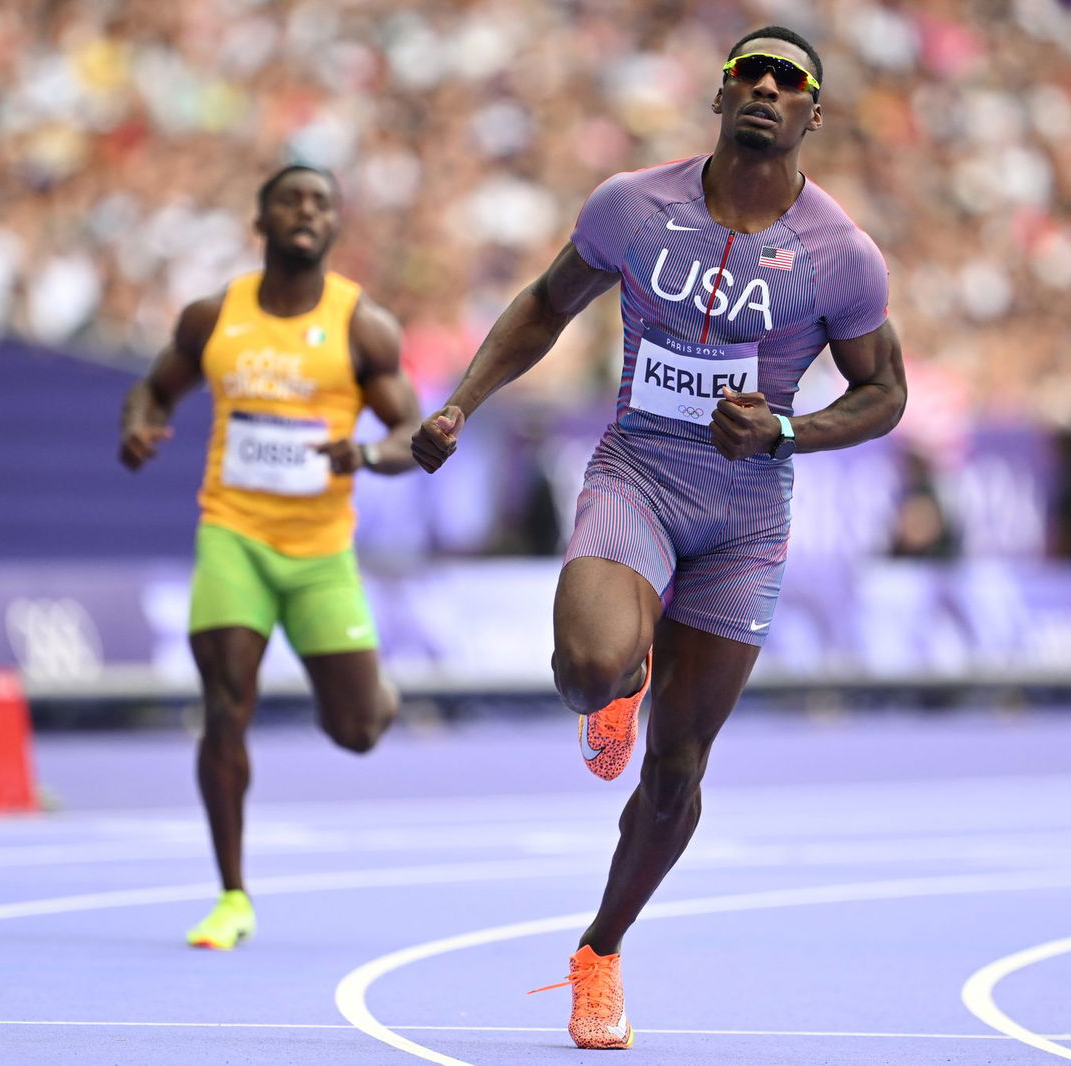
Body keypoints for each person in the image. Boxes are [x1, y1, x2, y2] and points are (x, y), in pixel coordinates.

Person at [412, 27, 905, 1050]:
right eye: (748, 74)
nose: (766, 89)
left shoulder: (839, 256)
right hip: (637, 474)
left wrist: (784, 428)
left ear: (815, 113)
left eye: (790, 81)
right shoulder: (633, 205)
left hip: (743, 517)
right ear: (720, 97)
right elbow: (545, 305)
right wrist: (460, 405)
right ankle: (619, 686)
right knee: (587, 666)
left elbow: (883, 393)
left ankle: (599, 951)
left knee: (677, 771)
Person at [118, 164, 421, 950]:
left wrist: (366, 455)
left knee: (356, 729)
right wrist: (139, 425)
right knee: (225, 706)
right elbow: (153, 390)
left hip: (321, 550)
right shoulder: (214, 316)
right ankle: (231, 894)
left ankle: (376, 692)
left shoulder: (364, 326)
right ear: (260, 219)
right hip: (234, 535)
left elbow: (410, 436)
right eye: (290, 199)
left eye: (321, 202)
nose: (305, 211)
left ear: (334, 226)